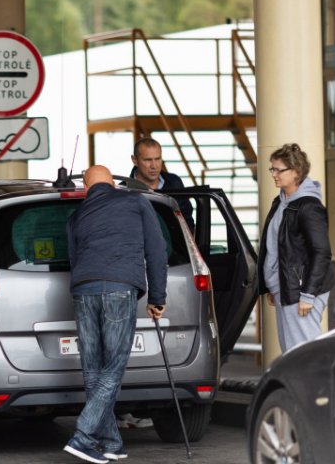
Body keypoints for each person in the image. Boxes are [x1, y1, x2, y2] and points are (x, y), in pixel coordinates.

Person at [63, 165, 168, 464]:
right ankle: (83, 436)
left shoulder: (76, 216)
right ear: (112, 183)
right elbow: (156, 250)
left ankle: (111, 442)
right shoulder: (135, 201)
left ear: (86, 188)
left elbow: (74, 259)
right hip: (119, 289)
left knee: (93, 370)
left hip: (83, 290)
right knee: (114, 368)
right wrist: (157, 297)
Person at [258, 143, 334, 353]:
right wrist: (273, 284)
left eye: (278, 170)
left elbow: (322, 252)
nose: (273, 174)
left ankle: (318, 387)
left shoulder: (309, 206)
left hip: (301, 290)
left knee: (304, 352)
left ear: (296, 172)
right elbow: (275, 247)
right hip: (286, 287)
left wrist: (308, 295)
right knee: (291, 350)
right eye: (271, 169)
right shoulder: (281, 202)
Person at [128, 137, 194, 231]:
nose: (154, 166)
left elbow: (187, 219)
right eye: (148, 160)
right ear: (135, 160)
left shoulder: (174, 183)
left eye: (157, 159)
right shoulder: (124, 189)